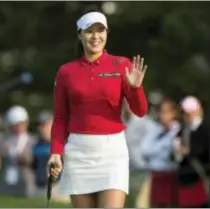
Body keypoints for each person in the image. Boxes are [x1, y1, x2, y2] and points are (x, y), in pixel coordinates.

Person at [48, 9, 148, 208]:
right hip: (78, 151)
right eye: (89, 31)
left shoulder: (121, 65)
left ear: (106, 33)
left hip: (112, 152)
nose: (96, 36)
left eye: (100, 30)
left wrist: (135, 89)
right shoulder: (66, 71)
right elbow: (60, 118)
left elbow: (140, 111)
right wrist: (56, 152)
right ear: (80, 35)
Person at [141, 98, 181, 207]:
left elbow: (177, 153)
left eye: (167, 112)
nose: (163, 115)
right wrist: (163, 144)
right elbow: (145, 150)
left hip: (172, 175)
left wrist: (159, 148)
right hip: (156, 174)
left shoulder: (178, 130)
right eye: (162, 112)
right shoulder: (154, 129)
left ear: (174, 113)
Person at [173, 96, 209, 208]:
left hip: (201, 178)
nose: (186, 116)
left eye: (188, 113)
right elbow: (175, 154)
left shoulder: (205, 129)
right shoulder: (182, 130)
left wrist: (188, 151)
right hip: (185, 179)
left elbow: (204, 151)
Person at [0, 106, 36, 197]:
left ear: (26, 123)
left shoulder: (34, 141)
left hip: (27, 181)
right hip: (6, 181)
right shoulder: (3, 141)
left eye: (21, 123)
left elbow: (35, 162)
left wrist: (23, 158)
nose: (18, 126)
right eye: (15, 124)